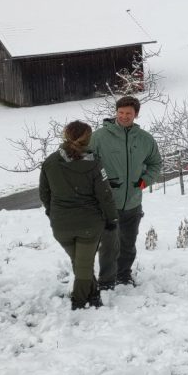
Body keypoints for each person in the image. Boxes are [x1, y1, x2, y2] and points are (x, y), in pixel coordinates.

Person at [40, 121, 118, 310]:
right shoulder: (94, 164)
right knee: (83, 265)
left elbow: (44, 194)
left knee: (81, 263)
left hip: (61, 225)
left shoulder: (50, 162)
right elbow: (105, 195)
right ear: (88, 139)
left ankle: (93, 294)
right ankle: (81, 302)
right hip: (89, 225)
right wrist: (111, 218)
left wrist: (53, 213)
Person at [92, 95, 162, 290]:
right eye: (120, 112)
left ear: (136, 115)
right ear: (116, 112)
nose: (123, 116)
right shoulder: (99, 137)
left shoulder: (145, 139)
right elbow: (86, 163)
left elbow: (156, 163)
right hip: (107, 202)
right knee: (108, 245)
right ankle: (106, 281)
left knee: (128, 243)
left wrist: (144, 181)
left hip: (132, 202)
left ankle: (124, 276)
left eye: (128, 113)